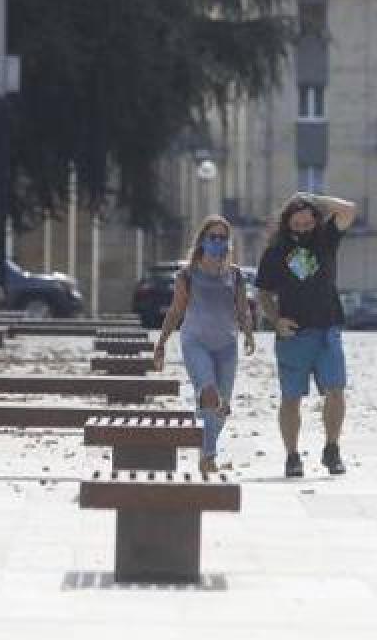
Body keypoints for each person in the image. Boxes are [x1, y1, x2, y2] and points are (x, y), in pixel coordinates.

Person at [256, 192, 357, 477]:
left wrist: (312, 198)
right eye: (295, 225)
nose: (301, 230)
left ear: (316, 221)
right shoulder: (275, 250)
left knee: (336, 391)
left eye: (306, 224)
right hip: (293, 335)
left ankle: (332, 449)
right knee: (291, 398)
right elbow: (263, 293)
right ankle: (292, 456)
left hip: (328, 328)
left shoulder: (326, 238)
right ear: (286, 224)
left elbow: (348, 209)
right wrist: (276, 320)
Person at [152, 215, 256, 474]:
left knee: (221, 407)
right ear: (202, 241)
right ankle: (208, 457)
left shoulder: (236, 275)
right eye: (213, 237)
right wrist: (162, 343)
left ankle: (206, 435)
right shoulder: (187, 275)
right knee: (210, 395)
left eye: (223, 238)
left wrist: (249, 334)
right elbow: (176, 311)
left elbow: (243, 310)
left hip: (227, 346)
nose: (218, 242)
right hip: (195, 342)